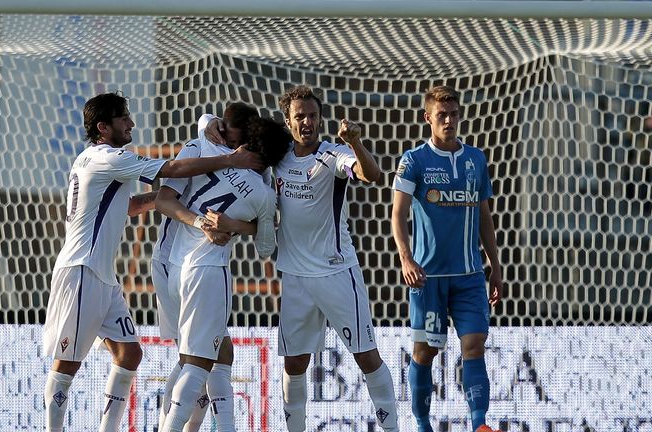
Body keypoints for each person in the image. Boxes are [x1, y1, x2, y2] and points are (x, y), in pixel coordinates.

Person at [41, 91, 261, 432]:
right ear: (103, 126)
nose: (132, 123)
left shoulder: (102, 159)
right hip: (81, 271)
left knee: (130, 355)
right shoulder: (106, 158)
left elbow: (129, 206)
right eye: (124, 118)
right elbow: (170, 168)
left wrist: (176, 199)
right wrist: (229, 161)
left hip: (103, 276)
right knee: (66, 364)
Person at [204, 85, 399, 431]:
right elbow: (222, 130)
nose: (307, 122)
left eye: (312, 115)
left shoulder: (333, 154)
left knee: (367, 357)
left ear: (320, 119)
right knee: (294, 364)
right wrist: (210, 123)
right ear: (288, 120)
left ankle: (393, 429)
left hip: (337, 274)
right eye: (299, 116)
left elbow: (373, 176)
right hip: (294, 276)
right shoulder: (276, 158)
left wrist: (355, 141)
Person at [155, 115, 291, 432]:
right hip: (208, 272)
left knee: (218, 353)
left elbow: (205, 124)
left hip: (174, 264)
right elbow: (266, 246)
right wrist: (244, 225)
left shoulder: (206, 151)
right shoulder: (264, 195)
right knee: (197, 365)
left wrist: (210, 123)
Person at [390, 85, 503, 432]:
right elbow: (397, 215)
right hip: (428, 277)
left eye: (454, 113)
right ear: (428, 118)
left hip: (469, 274)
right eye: (442, 115)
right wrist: (407, 260)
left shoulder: (476, 159)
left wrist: (495, 266)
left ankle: (479, 425)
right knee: (425, 353)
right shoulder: (413, 160)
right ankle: (422, 424)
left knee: (474, 344)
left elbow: (484, 215)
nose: (449, 120)